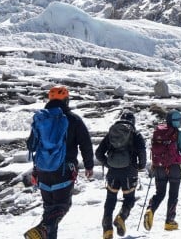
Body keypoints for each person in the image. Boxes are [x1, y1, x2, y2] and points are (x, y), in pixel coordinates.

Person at [24, 85, 94, 239]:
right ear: (66, 100)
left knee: (49, 209)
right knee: (62, 206)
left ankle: (45, 230)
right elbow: (85, 144)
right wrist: (89, 166)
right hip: (64, 170)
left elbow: (31, 145)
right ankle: (43, 228)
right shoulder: (74, 119)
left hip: (43, 170)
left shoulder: (42, 118)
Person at [144, 109, 181, 232]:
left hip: (159, 167)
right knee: (173, 195)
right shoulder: (180, 134)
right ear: (175, 121)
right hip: (174, 167)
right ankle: (169, 221)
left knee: (160, 193)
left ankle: (150, 209)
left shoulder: (158, 132)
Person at [95, 109, 147, 239]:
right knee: (129, 199)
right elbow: (142, 152)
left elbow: (98, 153)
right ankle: (121, 217)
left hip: (113, 172)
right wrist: (140, 166)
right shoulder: (136, 134)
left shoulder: (112, 133)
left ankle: (107, 228)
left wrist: (108, 164)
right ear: (133, 121)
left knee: (110, 200)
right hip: (129, 172)